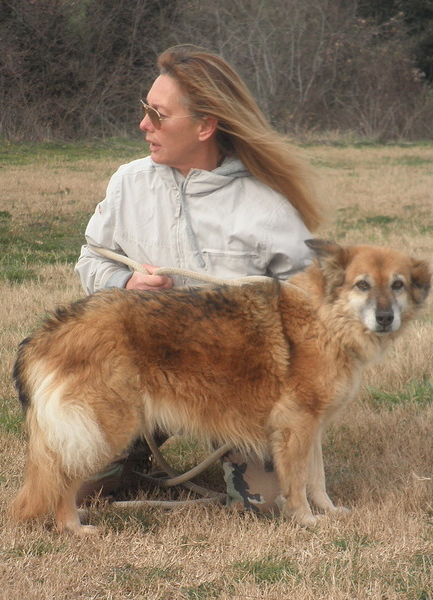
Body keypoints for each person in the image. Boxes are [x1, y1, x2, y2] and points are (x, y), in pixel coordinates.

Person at [74, 44, 323, 514]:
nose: (143, 124)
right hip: (142, 374)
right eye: (144, 109)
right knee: (76, 488)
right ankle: (132, 454)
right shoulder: (128, 183)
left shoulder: (267, 207)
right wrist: (123, 285)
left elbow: (313, 310)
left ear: (205, 125)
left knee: (266, 507)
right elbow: (91, 256)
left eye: (158, 114)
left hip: (238, 390)